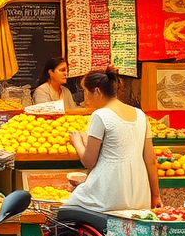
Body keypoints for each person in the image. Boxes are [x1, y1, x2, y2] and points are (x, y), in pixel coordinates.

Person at [63, 68, 160, 213]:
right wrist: (155, 195)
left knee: (64, 211)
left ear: (96, 91)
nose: (85, 98)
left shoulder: (101, 115)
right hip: (139, 194)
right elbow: (150, 160)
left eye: (85, 92)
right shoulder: (140, 115)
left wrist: (77, 141)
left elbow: (89, 161)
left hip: (108, 193)